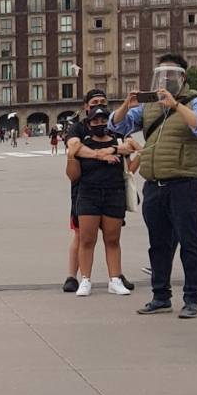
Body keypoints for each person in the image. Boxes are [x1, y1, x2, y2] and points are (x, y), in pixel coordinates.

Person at [110, 53, 197, 320]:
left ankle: (192, 298)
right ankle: (160, 296)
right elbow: (118, 124)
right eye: (161, 75)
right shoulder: (150, 106)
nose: (165, 80)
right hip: (155, 184)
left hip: (184, 183)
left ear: (182, 77)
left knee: (189, 242)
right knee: (158, 244)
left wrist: (177, 106)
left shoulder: (195, 101)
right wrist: (126, 104)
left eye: (171, 75)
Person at [69, 106, 135, 296]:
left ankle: (115, 279)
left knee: (113, 239)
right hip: (89, 194)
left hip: (114, 194)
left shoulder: (119, 142)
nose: (100, 124)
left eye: (103, 120)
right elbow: (73, 176)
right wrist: (71, 157)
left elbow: (130, 168)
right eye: (95, 121)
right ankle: (85, 280)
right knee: (87, 239)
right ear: (89, 124)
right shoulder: (83, 145)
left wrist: (139, 154)